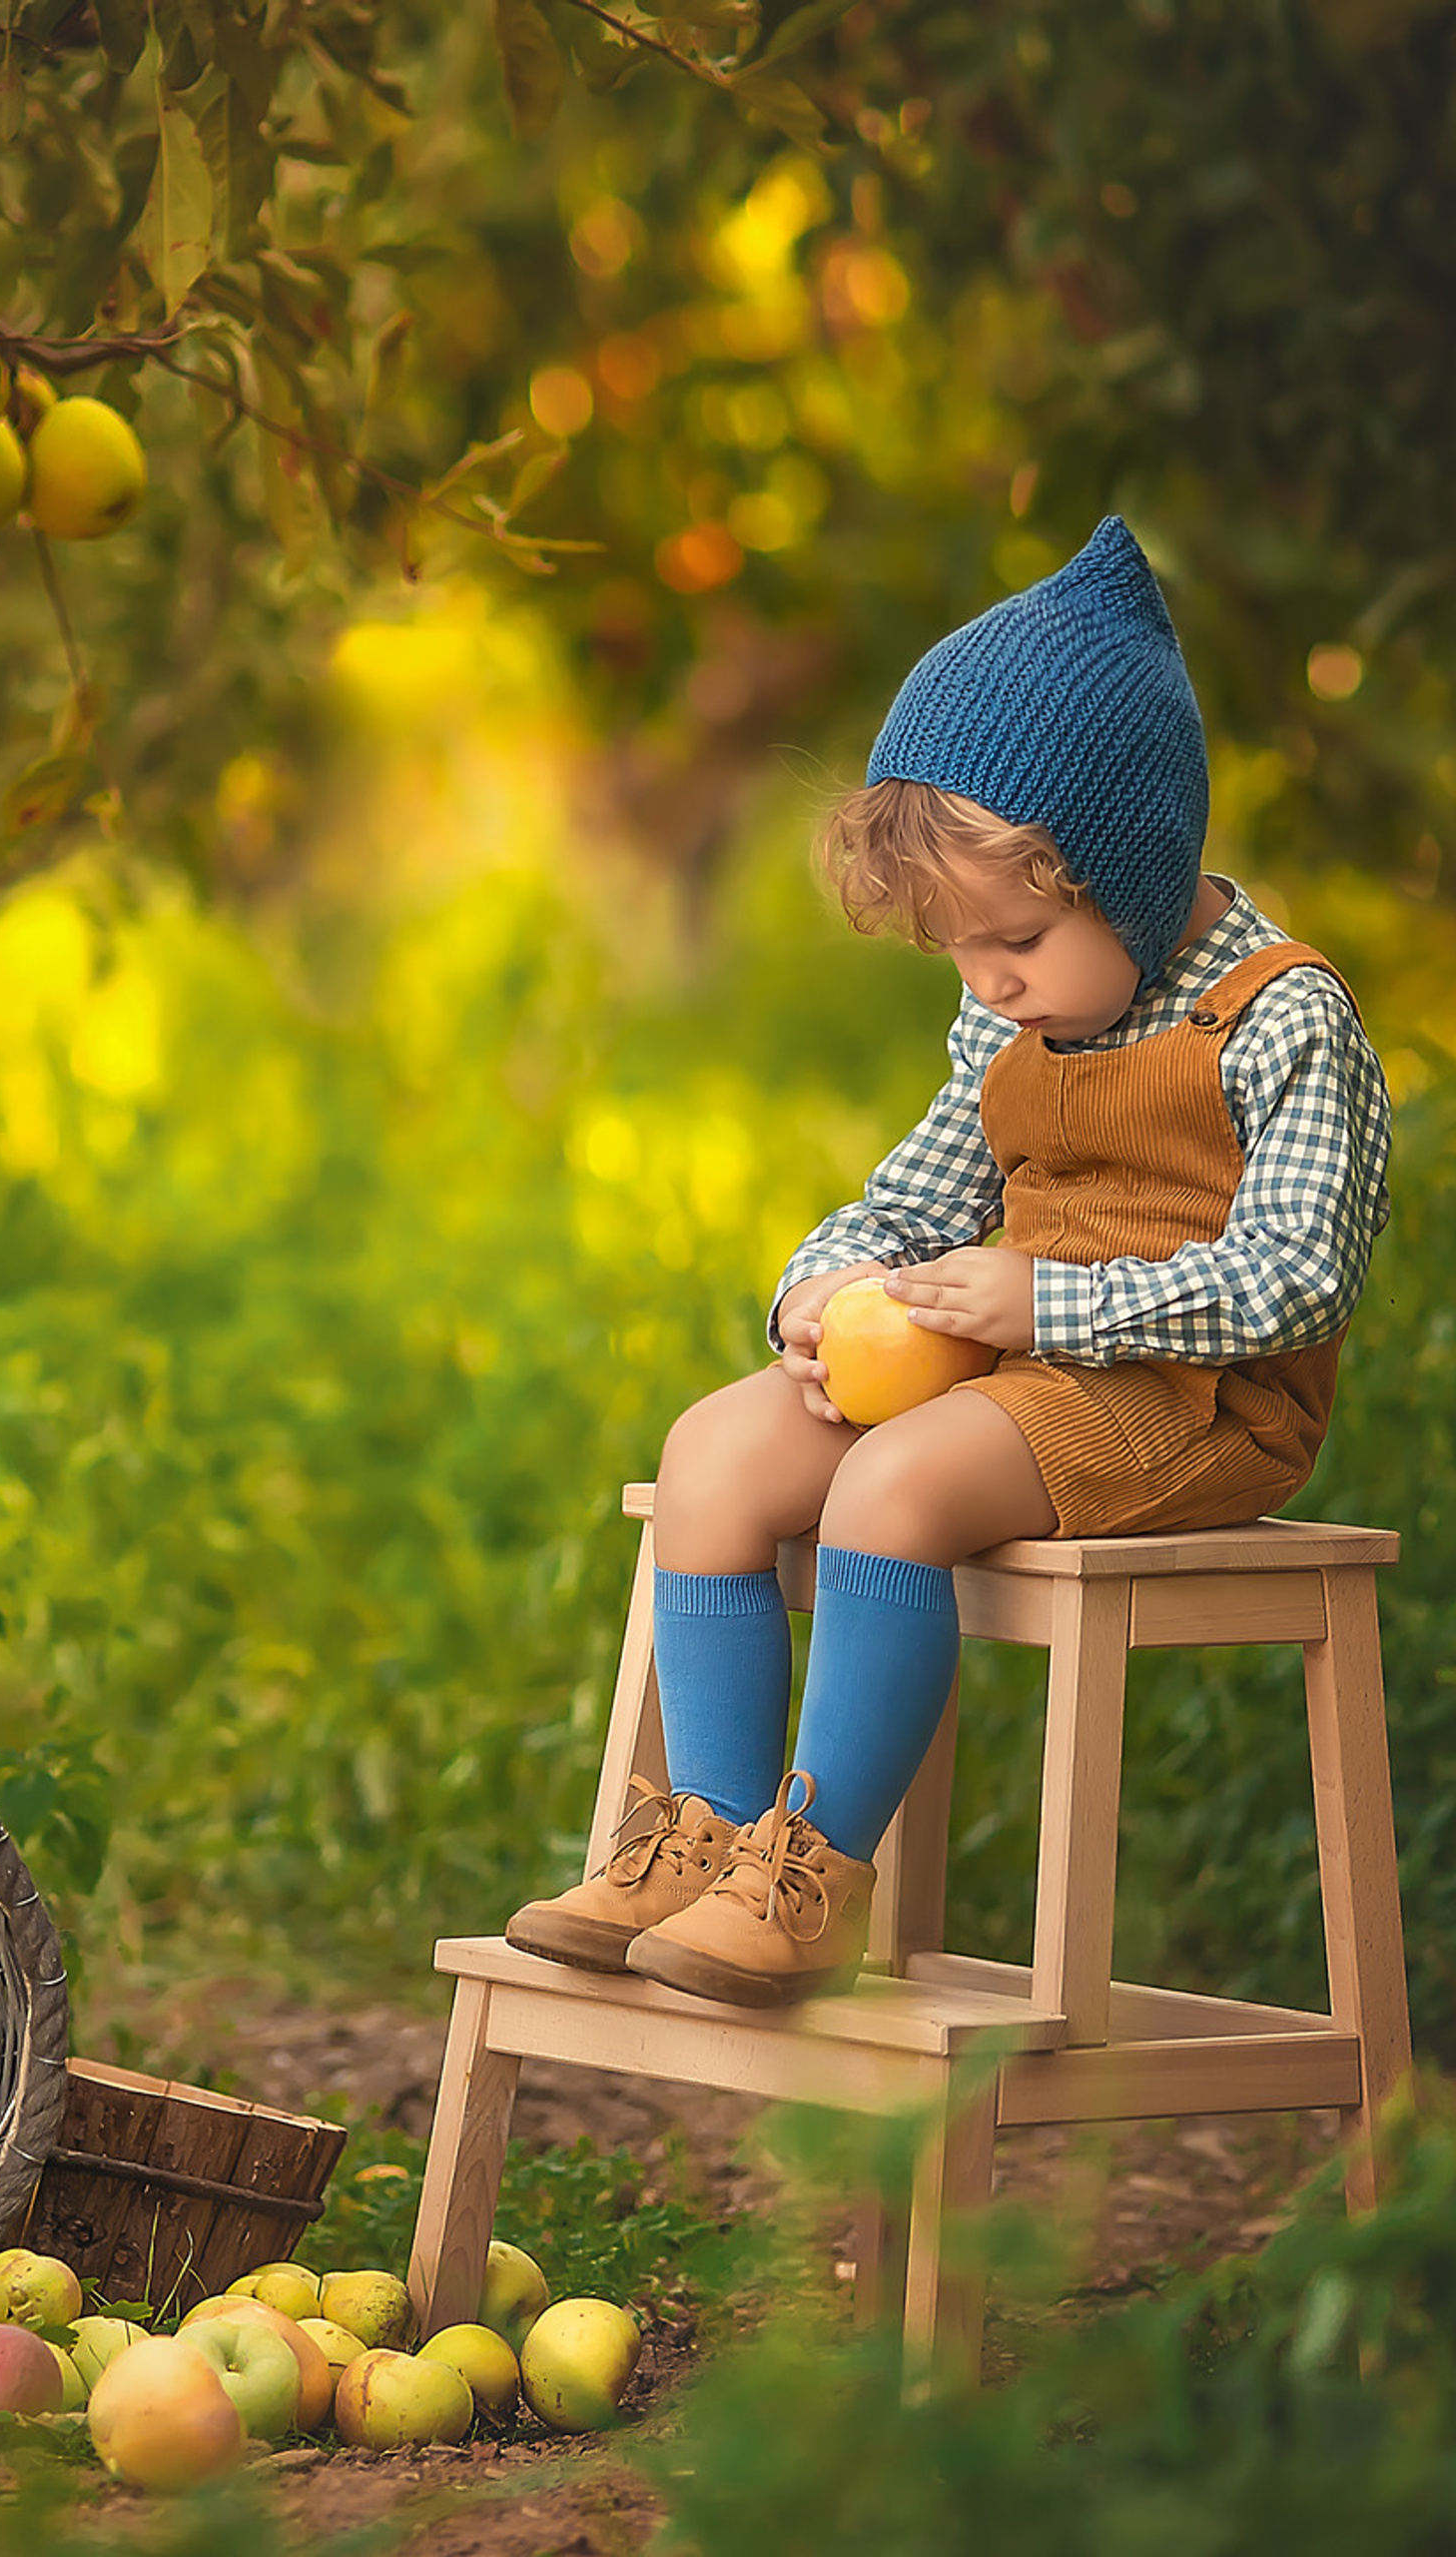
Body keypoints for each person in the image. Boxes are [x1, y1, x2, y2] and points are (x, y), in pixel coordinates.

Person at [508, 516, 1394, 2008]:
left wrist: (1048, 1301)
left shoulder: (1283, 1018)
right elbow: (914, 1198)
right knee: (713, 1453)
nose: (988, 982)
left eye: (1016, 941)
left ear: (1126, 871)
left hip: (1197, 1401)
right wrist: (823, 1291)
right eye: (960, 952)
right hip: (1012, 1370)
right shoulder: (1016, 1009)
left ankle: (811, 1878)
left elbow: (1297, 1277)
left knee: (894, 1485)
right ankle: (705, 1838)